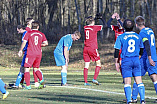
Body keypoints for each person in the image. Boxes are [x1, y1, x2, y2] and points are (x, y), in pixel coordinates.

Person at [114, 19, 145, 104]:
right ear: (134, 26)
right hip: (136, 59)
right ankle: (142, 100)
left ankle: (129, 101)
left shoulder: (121, 36)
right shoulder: (138, 36)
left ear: (124, 27)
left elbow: (116, 51)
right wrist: (138, 56)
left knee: (127, 82)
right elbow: (142, 48)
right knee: (139, 80)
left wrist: (116, 62)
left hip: (126, 60)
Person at [131, 16, 157, 103]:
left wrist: (149, 58)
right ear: (144, 23)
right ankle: (134, 97)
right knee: (154, 76)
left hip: (147, 57)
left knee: (138, 76)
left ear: (136, 24)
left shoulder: (142, 33)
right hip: (153, 55)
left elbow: (146, 44)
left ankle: (134, 98)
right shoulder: (150, 30)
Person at [18, 21, 48, 90]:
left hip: (30, 53)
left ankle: (28, 86)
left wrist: (20, 50)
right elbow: (46, 43)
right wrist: (39, 45)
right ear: (38, 27)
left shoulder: (28, 33)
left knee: (26, 69)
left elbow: (24, 42)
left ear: (32, 26)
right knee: (36, 68)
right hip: (38, 53)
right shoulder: (41, 34)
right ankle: (41, 80)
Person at [83, 16, 102, 86]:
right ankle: (94, 79)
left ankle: (85, 82)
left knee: (86, 65)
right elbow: (105, 26)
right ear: (93, 22)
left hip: (85, 48)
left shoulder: (85, 27)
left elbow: (90, 23)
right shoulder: (94, 28)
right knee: (98, 63)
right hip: (92, 48)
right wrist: (100, 18)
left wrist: (94, 19)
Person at [107, 13, 124, 80]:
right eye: (117, 22)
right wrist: (112, 18)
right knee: (119, 64)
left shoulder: (124, 29)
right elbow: (107, 25)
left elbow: (123, 26)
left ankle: (124, 77)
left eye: (119, 22)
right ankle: (123, 77)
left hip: (123, 49)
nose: (118, 24)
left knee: (121, 63)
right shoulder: (116, 28)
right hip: (117, 48)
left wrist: (119, 19)